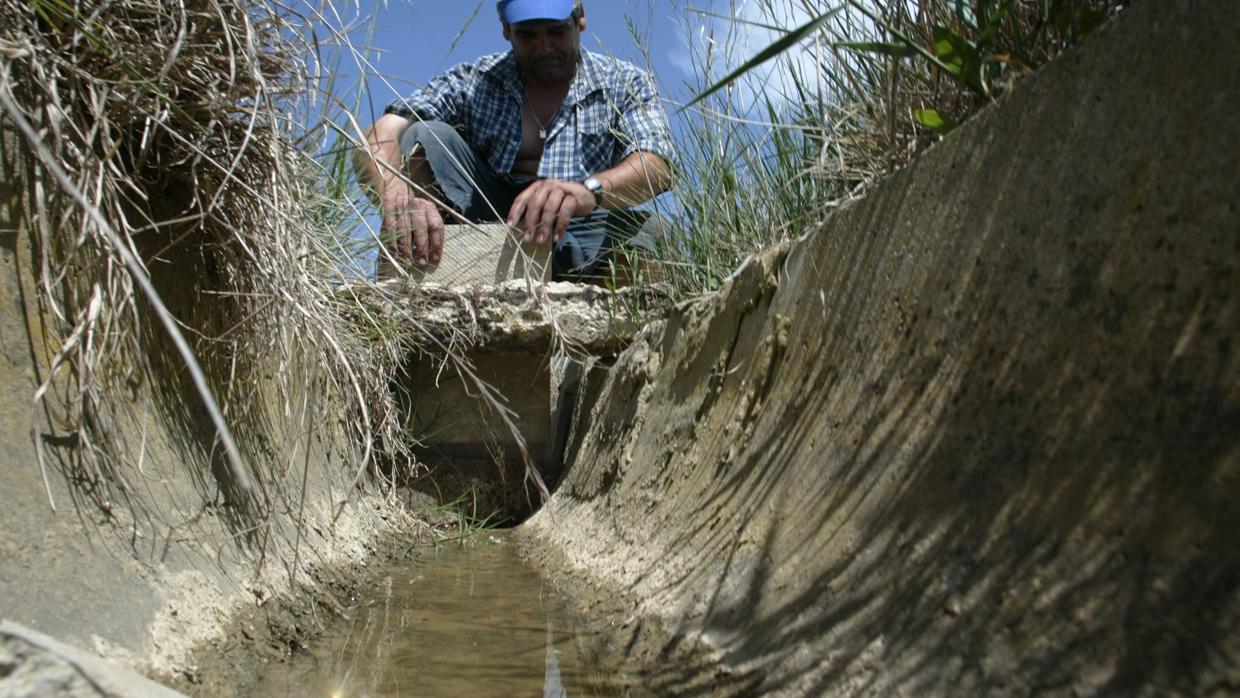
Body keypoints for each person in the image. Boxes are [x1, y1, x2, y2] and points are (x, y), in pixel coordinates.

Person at [358, 0, 676, 282]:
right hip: (482, 221)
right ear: (506, 31)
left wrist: (587, 191)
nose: (544, 46)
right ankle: (419, 274)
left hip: (579, 226)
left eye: (555, 31)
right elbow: (382, 131)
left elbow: (658, 164)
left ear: (580, 18)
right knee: (422, 137)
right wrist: (394, 191)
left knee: (653, 234)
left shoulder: (624, 82)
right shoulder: (473, 80)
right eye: (528, 35)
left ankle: (625, 339)